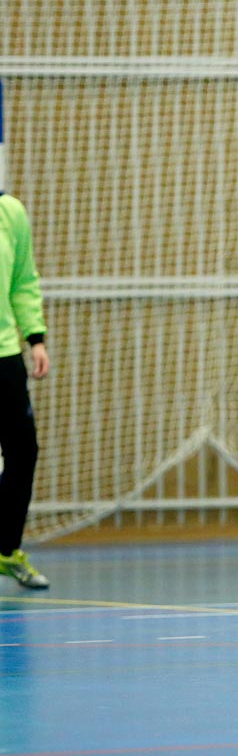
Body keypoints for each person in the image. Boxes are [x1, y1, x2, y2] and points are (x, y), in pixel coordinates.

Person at [0, 191, 50, 590]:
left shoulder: (10, 211)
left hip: (4, 355)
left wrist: (35, 338)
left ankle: (7, 548)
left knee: (23, 450)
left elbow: (23, 281)